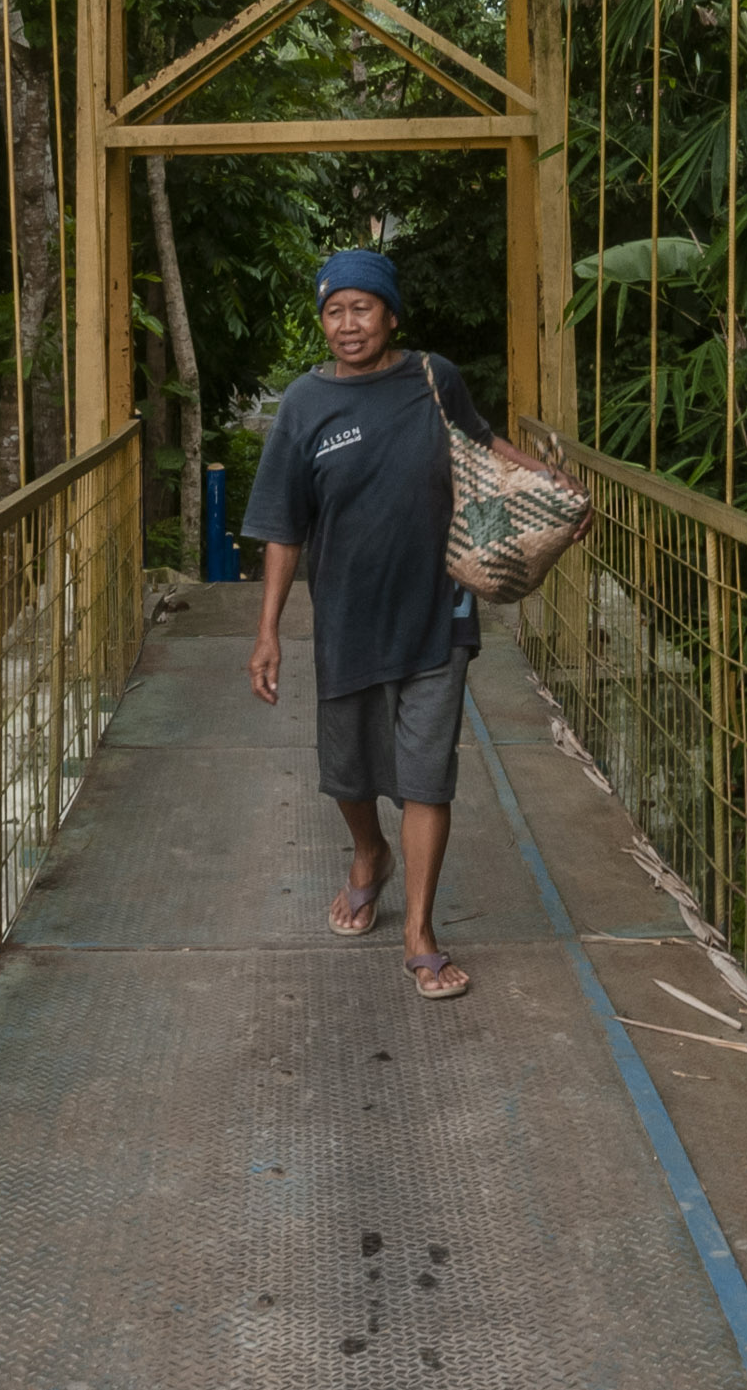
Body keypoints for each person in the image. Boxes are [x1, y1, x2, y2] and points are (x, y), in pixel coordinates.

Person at [242, 246, 493, 1002]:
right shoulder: (304, 405)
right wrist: (267, 629)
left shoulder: (432, 377)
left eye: (362, 307)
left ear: (391, 313)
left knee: (427, 774)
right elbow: (284, 526)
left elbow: (485, 447)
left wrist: (549, 486)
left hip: (437, 609)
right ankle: (368, 854)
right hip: (349, 616)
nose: (347, 323)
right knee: (347, 770)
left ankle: (419, 932)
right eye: (333, 310)